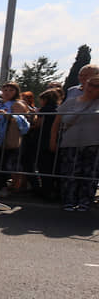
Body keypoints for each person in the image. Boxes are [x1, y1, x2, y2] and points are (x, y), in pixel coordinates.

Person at [55, 75, 99, 211]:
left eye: (96, 86)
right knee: (70, 172)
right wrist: (53, 140)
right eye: (90, 84)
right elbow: (57, 122)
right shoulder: (70, 102)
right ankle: (69, 200)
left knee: (89, 173)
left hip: (93, 144)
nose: (91, 88)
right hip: (70, 142)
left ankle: (85, 201)